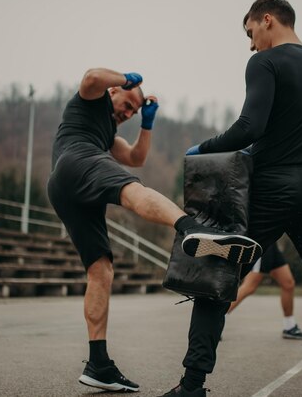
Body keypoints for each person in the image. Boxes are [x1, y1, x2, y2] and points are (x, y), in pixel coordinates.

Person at [161, 0, 302, 397]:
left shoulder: (264, 62)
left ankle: (192, 386)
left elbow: (250, 126)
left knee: (217, 277)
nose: (250, 44)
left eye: (250, 33)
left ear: (267, 20)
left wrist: (205, 147)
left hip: (271, 186)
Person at [46, 68, 262, 393]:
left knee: (100, 269)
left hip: (64, 186)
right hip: (78, 160)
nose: (128, 112)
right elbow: (90, 78)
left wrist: (147, 123)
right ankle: (189, 227)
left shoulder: (107, 133)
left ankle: (98, 363)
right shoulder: (90, 102)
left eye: (133, 110)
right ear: (114, 91)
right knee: (131, 190)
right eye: (127, 104)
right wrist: (123, 77)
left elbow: (136, 156)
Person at [226, 243, 302, 340]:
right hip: (263, 242)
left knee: (288, 284)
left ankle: (289, 327)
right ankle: (217, 320)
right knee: (249, 286)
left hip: (273, 243)